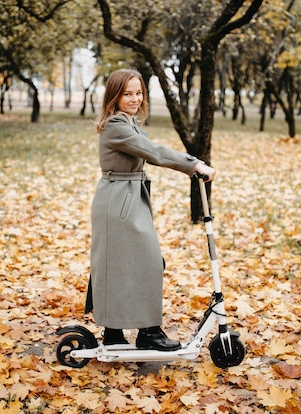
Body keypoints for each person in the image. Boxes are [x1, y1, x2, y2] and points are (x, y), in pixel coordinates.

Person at [86, 69, 216, 351]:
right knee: (143, 263)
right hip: (118, 202)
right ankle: (148, 332)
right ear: (114, 96)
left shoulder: (126, 122)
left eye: (138, 93)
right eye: (127, 93)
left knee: (124, 265)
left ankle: (115, 333)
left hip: (127, 197)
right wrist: (193, 165)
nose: (134, 99)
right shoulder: (115, 126)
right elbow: (153, 150)